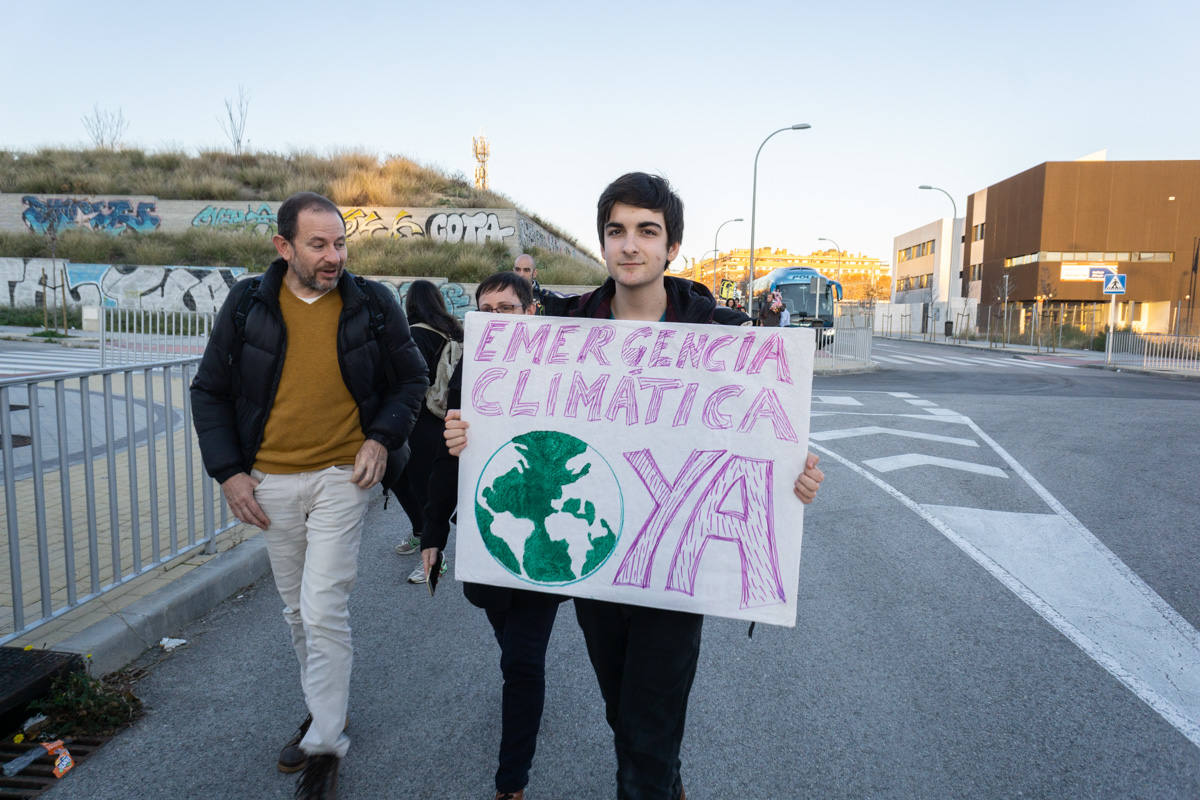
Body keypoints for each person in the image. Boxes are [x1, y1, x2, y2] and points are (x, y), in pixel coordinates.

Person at [446, 173, 825, 800]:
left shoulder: (725, 336)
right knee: (628, 720)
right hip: (601, 566)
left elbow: (769, 437)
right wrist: (469, 437)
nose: (630, 245)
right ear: (602, 243)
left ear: (671, 246)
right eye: (617, 230)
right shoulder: (563, 330)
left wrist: (796, 475)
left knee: (645, 743)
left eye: (647, 231)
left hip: (676, 575)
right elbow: (508, 416)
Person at [190, 191, 428, 800]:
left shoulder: (372, 302)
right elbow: (210, 392)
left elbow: (410, 379)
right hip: (268, 482)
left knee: (323, 605)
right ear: (283, 247)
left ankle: (324, 740)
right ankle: (328, 709)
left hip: (342, 478)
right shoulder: (248, 304)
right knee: (297, 610)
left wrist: (381, 438)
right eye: (318, 245)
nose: (333, 257)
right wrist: (230, 473)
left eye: (340, 243)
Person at [420, 271, 567, 800]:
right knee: (513, 649)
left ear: (531, 314)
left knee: (522, 660)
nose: (496, 317)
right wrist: (433, 532)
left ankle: (511, 784)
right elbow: (445, 457)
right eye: (486, 309)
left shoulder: (564, 369)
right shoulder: (470, 371)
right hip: (490, 537)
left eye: (507, 308)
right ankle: (525, 694)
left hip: (546, 536)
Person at [391, 280, 461, 585]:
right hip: (444, 415)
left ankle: (435, 556)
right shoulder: (453, 329)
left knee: (416, 486)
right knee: (417, 482)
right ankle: (421, 533)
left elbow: (409, 379)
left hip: (419, 420)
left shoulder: (415, 334)